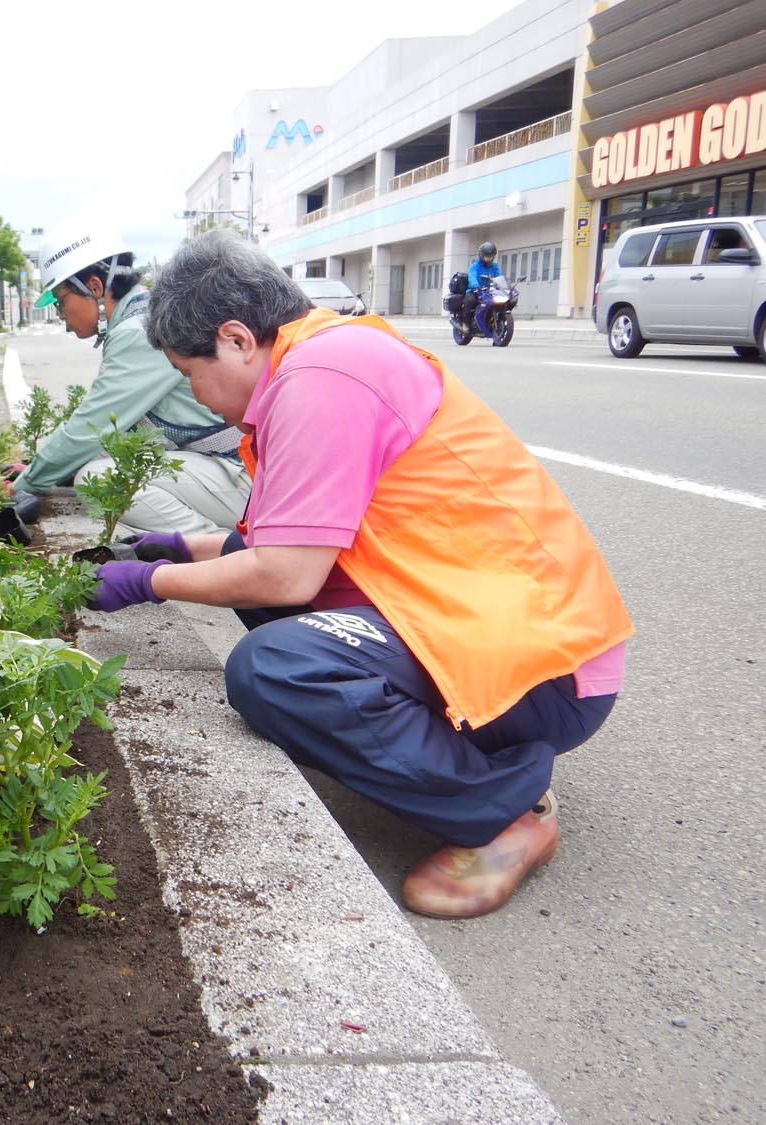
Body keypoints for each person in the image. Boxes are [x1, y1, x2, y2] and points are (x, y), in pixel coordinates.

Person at [89, 229, 632, 920]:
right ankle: (451, 757)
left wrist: (147, 583)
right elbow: (280, 542)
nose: (196, 397)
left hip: (546, 670)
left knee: (274, 669)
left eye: (188, 372)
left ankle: (501, 808)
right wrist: (169, 548)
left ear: (234, 339)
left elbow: (284, 575)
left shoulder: (321, 375)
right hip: (490, 623)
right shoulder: (319, 356)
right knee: (258, 597)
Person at [10, 222, 252, 537]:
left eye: (60, 301)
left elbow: (91, 428)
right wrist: (38, 471)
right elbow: (107, 432)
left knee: (99, 480)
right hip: (233, 468)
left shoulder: (137, 330)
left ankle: (221, 550)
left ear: (94, 288)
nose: (61, 315)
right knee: (102, 463)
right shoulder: (145, 314)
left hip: (243, 479)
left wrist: (21, 488)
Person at [462, 240, 502, 329]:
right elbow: (472, 276)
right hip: (475, 290)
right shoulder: (475, 266)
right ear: (481, 255)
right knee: (470, 301)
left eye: (492, 256)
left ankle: (491, 322)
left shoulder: (495, 266)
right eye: (487, 256)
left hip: (489, 291)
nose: (490, 259)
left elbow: (499, 276)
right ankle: (465, 324)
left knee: (498, 302)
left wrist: (502, 285)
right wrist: (475, 285)